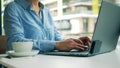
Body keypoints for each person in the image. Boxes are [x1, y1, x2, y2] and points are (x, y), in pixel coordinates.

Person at [4, 0, 90, 53]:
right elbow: (15, 42)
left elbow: (56, 39)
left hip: (49, 61)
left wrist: (75, 43)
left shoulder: (46, 11)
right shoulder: (13, 8)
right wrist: (56, 45)